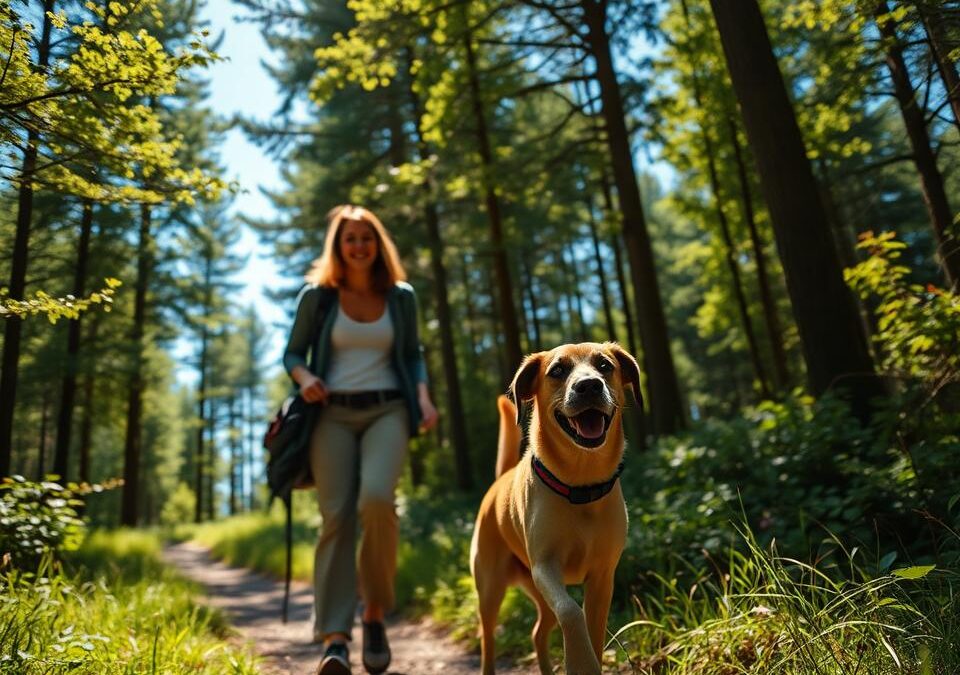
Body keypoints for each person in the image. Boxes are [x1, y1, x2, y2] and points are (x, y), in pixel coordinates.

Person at [283, 205, 439, 675]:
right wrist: (305, 375)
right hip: (330, 414)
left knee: (376, 501)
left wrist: (424, 398)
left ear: (378, 244)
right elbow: (291, 351)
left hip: (388, 410)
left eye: (366, 238)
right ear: (338, 245)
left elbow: (412, 355)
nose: (358, 246)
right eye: (349, 238)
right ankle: (334, 639)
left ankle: (373, 613)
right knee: (336, 519)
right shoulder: (319, 297)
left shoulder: (401, 297)